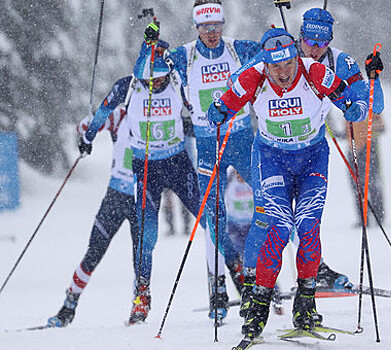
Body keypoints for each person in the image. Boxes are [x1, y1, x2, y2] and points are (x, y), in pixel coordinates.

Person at [207, 27, 380, 339]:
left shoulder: (315, 72)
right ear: (266, 65)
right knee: (279, 226)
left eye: (288, 64)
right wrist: (217, 112)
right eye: (276, 67)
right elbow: (224, 105)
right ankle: (258, 302)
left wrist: (355, 108)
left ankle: (306, 300)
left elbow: (349, 99)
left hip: (313, 156)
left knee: (309, 225)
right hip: (272, 157)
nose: (283, 73)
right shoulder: (253, 77)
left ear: (295, 58)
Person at [134, 0, 260, 321]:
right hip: (207, 143)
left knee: (270, 203)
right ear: (196, 27)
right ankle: (218, 286)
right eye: (205, 26)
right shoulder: (183, 55)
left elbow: (275, 54)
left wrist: (281, 41)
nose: (212, 32)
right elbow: (147, 71)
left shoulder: (238, 50)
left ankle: (260, 276)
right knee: (213, 217)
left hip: (241, 138)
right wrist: (149, 47)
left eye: (216, 24)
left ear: (223, 23)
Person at [80, 40, 206, 325]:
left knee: (209, 218)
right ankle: (142, 296)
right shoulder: (128, 87)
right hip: (145, 169)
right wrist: (87, 138)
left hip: (177, 162)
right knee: (146, 237)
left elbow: (202, 103)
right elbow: (101, 113)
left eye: (159, 78)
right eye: (149, 78)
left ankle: (236, 283)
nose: (154, 84)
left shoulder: (177, 80)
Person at [296, 7, 385, 279]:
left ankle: (314, 272)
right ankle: (257, 280)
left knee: (308, 219)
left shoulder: (341, 62)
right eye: (309, 42)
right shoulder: (285, 54)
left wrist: (373, 79)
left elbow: (375, 105)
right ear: (300, 36)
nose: (314, 50)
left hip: (312, 148)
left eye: (321, 44)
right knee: (273, 221)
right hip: (274, 146)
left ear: (330, 42)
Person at [47, 108, 138, 327]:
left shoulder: (159, 112)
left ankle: (138, 310)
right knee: (94, 252)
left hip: (142, 199)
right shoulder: (121, 116)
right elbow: (84, 127)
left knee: (141, 260)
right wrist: (89, 123)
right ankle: (68, 307)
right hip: (115, 197)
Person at [346, 113, 386, 226]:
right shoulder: (346, 108)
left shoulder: (370, 108)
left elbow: (381, 128)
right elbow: (345, 132)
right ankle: (363, 218)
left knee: (372, 184)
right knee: (356, 186)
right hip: (353, 149)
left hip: (368, 148)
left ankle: (379, 216)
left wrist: (371, 127)